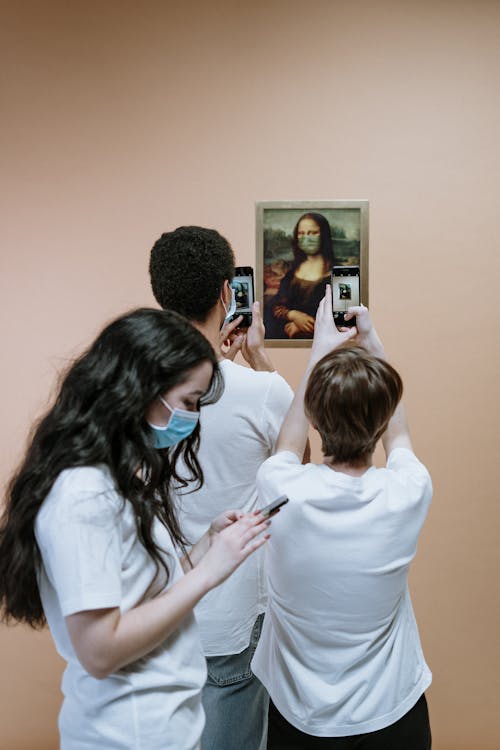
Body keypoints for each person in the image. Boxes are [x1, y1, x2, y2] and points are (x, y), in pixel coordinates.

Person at [0, 308, 271, 750]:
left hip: (163, 728)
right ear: (141, 389)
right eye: (188, 402)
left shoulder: (115, 479)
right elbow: (100, 650)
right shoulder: (83, 494)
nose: (194, 420)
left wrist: (205, 548)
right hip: (126, 735)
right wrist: (208, 575)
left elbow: (139, 593)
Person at [252, 289, 433, 749]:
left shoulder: (282, 491)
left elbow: (288, 447)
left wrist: (318, 353)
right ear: (380, 420)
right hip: (392, 713)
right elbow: (402, 438)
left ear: (314, 415)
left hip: (300, 720)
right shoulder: (407, 492)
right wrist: (372, 343)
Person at [149, 226, 294, 750]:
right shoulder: (263, 392)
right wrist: (258, 362)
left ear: (160, 298)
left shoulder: (132, 391)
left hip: (153, 615)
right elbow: (294, 469)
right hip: (231, 621)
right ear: (226, 294)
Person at [267, 212, 334, 339]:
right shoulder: (292, 272)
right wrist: (293, 315)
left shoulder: (334, 274)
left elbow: (339, 319)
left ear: (324, 235)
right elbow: (276, 306)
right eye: (301, 233)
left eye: (313, 233)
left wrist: (304, 326)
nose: (306, 238)